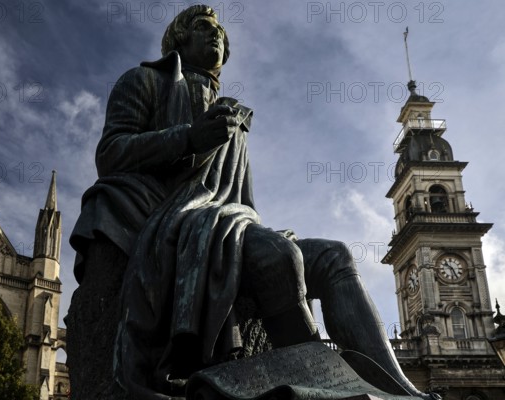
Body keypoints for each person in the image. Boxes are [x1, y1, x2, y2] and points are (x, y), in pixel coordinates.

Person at [68, 5, 437, 400]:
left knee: (335, 256)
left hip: (230, 226)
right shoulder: (143, 81)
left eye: (221, 33)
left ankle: (399, 391)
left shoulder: (233, 115)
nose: (216, 36)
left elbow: (239, 198)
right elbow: (111, 153)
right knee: (280, 256)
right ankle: (319, 382)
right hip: (173, 222)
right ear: (179, 38)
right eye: (203, 27)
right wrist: (189, 138)